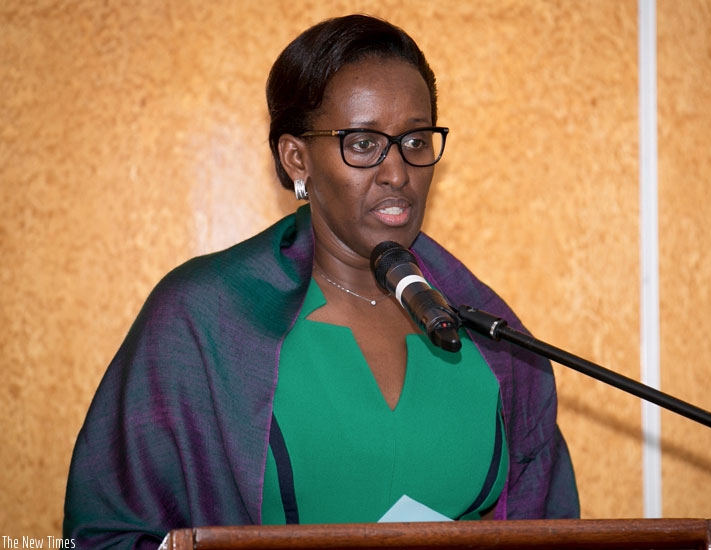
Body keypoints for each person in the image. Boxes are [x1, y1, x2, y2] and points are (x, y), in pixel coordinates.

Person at [63, 14, 579, 549]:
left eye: (415, 140)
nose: (397, 172)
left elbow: (551, 530)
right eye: (363, 143)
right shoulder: (202, 322)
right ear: (297, 158)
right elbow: (105, 536)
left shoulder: (492, 339)